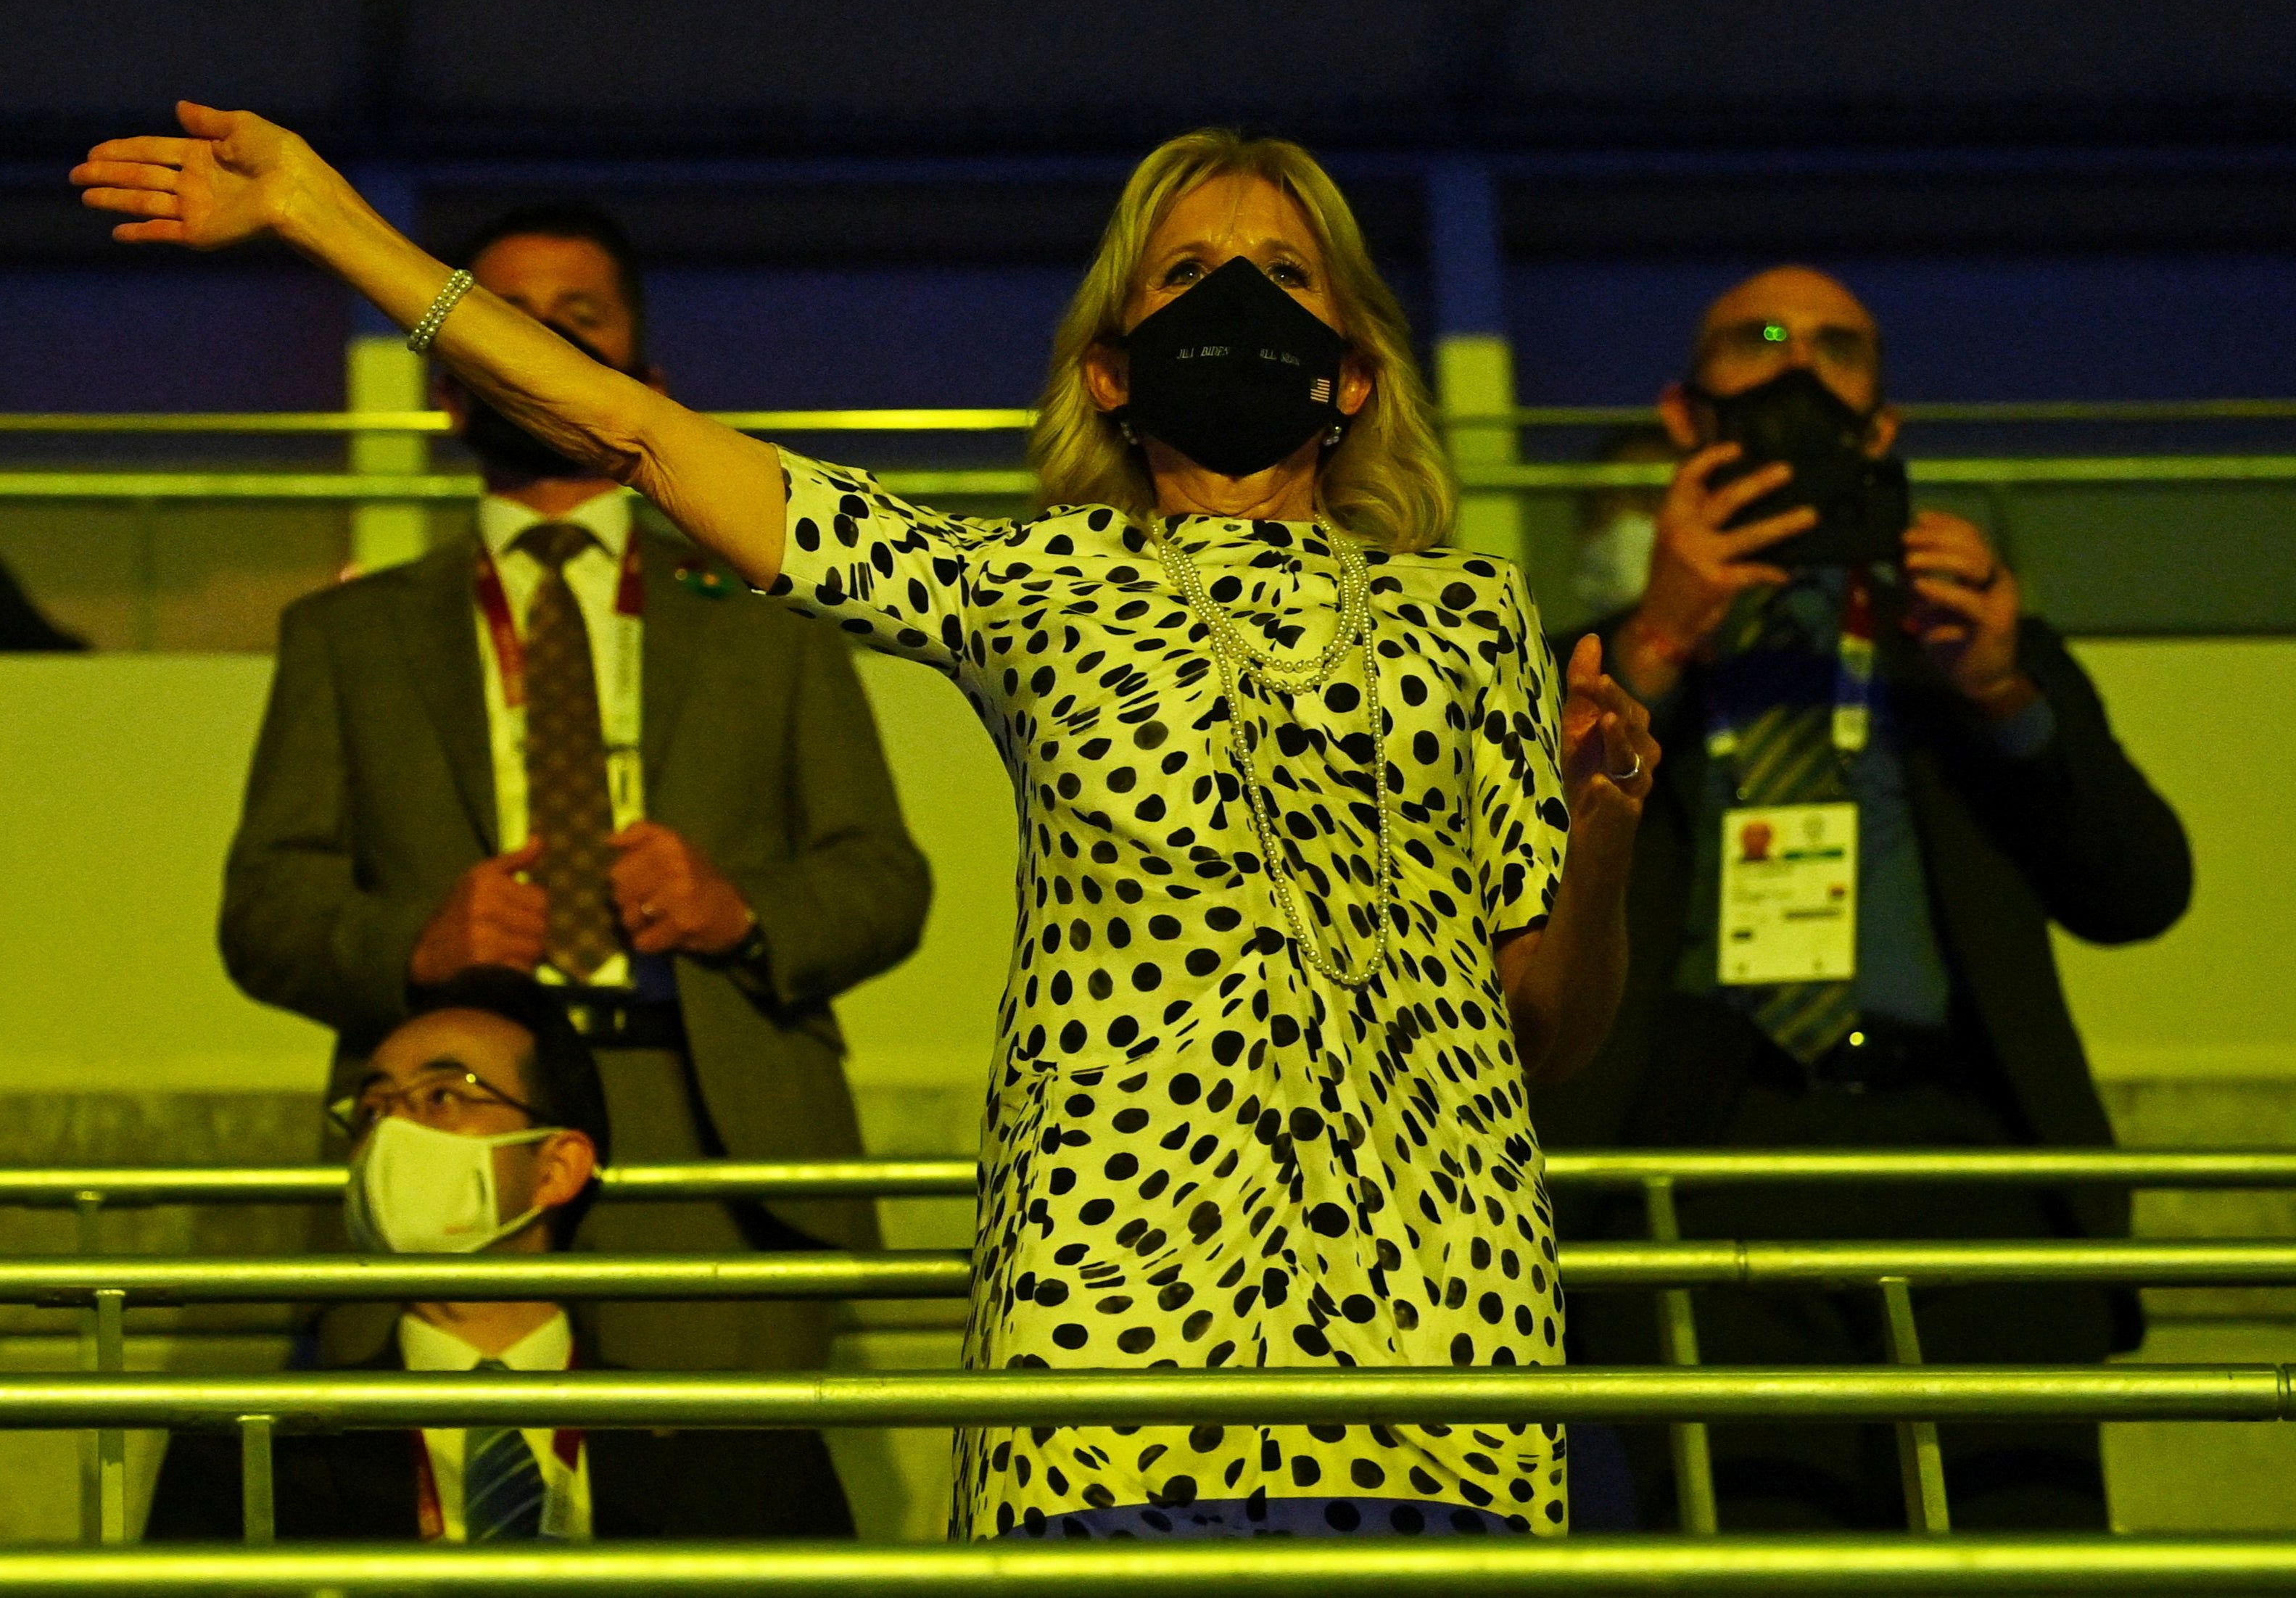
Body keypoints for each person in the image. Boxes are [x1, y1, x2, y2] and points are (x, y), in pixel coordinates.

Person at [77, 108, 1662, 1541]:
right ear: (1110, 362)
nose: (1235, 296)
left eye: (1280, 271)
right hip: (1111, 1313)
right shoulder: (1027, 580)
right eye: (1185, 270)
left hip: (1436, 1315)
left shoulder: (1475, 616)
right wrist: (325, 220)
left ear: (1355, 365)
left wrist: (1599, 830)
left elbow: (1543, 1025)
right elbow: (637, 432)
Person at [212, 199, 931, 1373]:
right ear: (450, 384)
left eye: (577, 320)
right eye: (506, 321)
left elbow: (883, 878)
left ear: (642, 376)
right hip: (451, 1134)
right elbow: (265, 911)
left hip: (718, 1136)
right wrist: (417, 944)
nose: (541, 344)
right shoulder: (346, 635)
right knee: (442, 1521)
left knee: (725, 1531)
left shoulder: (769, 619)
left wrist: (741, 911)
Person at [1540, 265, 2192, 1531]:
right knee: (1753, 1548)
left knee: (2022, 1548)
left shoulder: (1971, 636)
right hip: (1697, 1155)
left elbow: (2140, 889)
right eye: (1760, 340)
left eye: (1840, 350)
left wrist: (1999, 691)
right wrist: (1658, 645)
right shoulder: (1591, 661)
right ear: (1686, 415)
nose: (1798, 369)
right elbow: (1489, 892)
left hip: (1963, 1161)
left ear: (1883, 427)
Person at [145, 969, 854, 1541]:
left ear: (556, 1167)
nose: (393, 1130)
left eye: (444, 1095)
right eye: (372, 1108)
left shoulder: (745, 1452)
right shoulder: (247, 1455)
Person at [1568, 424, 1675, 623]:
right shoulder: (1556, 652)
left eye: (1660, 495)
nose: (1638, 516)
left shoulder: (1733, 648)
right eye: (1612, 497)